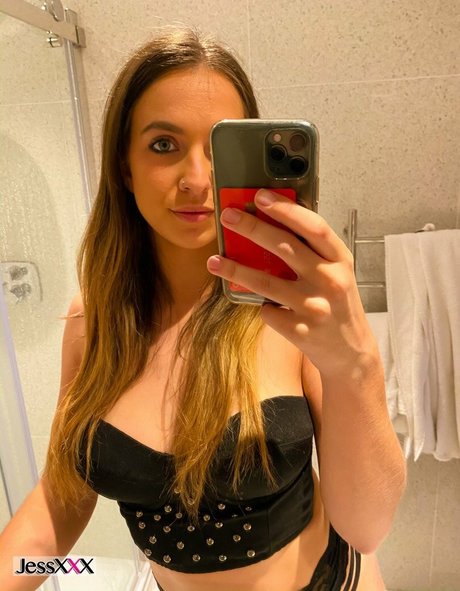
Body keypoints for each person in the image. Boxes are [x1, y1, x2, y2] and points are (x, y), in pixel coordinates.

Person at [0, 28, 406, 591]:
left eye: (219, 150)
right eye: (164, 145)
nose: (196, 180)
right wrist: (25, 572)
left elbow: (366, 528)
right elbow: (62, 503)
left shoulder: (290, 306)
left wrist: (356, 365)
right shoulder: (92, 323)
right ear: (124, 166)